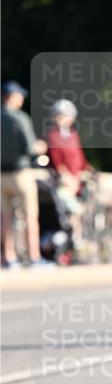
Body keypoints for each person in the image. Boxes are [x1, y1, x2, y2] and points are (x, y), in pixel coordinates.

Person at [1, 80, 45, 267]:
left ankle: (8, 257)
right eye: (19, 96)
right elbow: (30, 148)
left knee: (5, 218)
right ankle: (34, 257)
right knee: (30, 215)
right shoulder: (20, 118)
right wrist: (41, 147)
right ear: (12, 97)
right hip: (20, 174)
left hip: (1, 176)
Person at [46, 99, 93, 242]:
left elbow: (80, 159)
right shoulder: (52, 136)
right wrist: (68, 178)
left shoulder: (73, 136)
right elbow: (56, 161)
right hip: (64, 181)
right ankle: (74, 238)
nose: (61, 119)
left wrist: (87, 171)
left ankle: (79, 236)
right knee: (70, 205)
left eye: (64, 115)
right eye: (59, 115)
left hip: (77, 179)